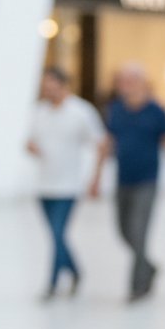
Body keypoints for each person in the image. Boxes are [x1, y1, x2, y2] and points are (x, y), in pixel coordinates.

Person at [89, 62, 165, 302]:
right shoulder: (115, 110)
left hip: (147, 181)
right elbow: (107, 143)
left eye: (129, 81)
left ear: (142, 82)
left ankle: (137, 286)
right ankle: (148, 266)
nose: (124, 85)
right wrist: (96, 177)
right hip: (123, 180)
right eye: (122, 81)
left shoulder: (157, 111)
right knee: (123, 231)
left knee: (139, 232)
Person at [27, 67, 105, 299]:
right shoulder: (39, 112)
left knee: (58, 234)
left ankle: (52, 284)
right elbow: (30, 140)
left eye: (51, 86)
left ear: (63, 85)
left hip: (68, 186)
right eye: (45, 87)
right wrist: (31, 148)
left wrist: (96, 178)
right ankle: (75, 271)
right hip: (44, 185)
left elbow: (101, 143)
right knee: (56, 236)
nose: (47, 91)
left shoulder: (81, 112)